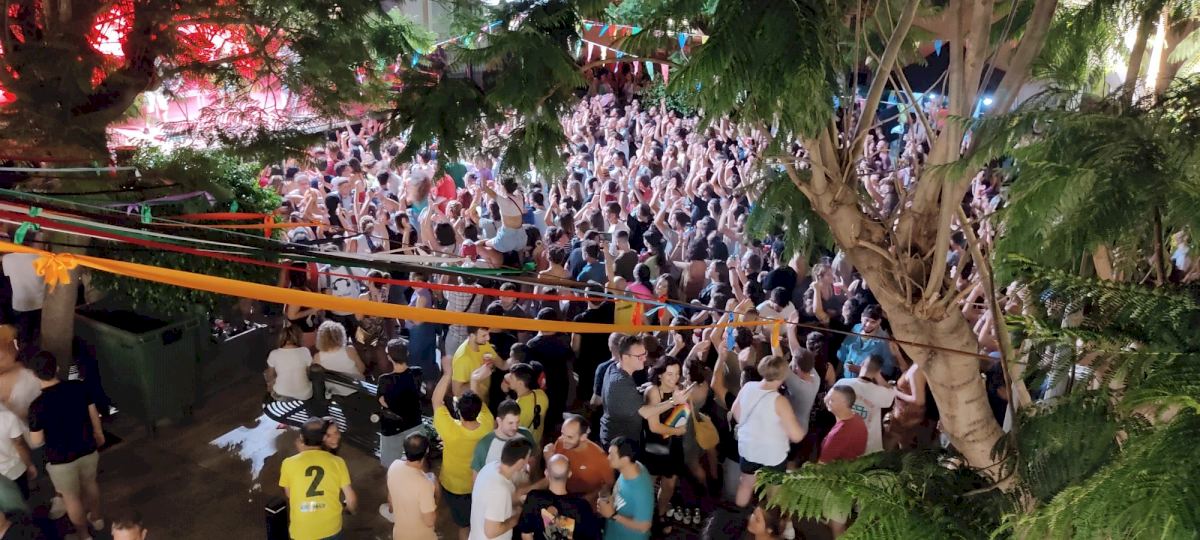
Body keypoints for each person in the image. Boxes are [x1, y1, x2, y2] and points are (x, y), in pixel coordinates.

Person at [27, 351, 104, 540]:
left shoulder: (36, 406)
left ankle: (84, 535)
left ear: (34, 375)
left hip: (60, 459)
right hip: (87, 447)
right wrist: (99, 433)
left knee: (71, 498)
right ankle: (97, 519)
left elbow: (37, 441)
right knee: (91, 483)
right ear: (57, 368)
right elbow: (93, 413)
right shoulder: (79, 387)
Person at [433, 355, 495, 540]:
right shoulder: (487, 423)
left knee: (463, 526)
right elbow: (479, 402)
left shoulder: (450, 429)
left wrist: (448, 373)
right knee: (476, 520)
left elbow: (436, 401)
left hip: (454, 487)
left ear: (458, 411)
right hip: (479, 483)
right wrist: (475, 381)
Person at [730, 355, 806, 507]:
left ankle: (738, 514)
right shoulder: (780, 401)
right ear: (783, 375)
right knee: (774, 491)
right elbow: (796, 436)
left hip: (748, 449)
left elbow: (735, 412)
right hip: (773, 455)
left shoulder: (748, 387)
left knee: (746, 483)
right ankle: (769, 518)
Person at [279, 417, 356, 540]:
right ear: (324, 439)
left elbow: (289, 494)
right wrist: (348, 509)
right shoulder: (337, 462)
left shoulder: (288, 463)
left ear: (302, 438)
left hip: (302, 531)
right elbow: (351, 499)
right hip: (331, 528)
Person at [516, 454, 601, 540]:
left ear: (546, 473)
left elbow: (526, 534)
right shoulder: (582, 506)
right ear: (569, 474)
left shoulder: (534, 498)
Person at [470, 438, 534, 540]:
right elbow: (491, 532)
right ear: (521, 462)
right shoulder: (500, 491)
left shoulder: (490, 467)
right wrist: (517, 517)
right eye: (527, 459)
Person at [832, 355, 896, 454]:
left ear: (861, 364)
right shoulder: (881, 392)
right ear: (878, 371)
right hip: (868, 448)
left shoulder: (842, 383)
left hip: (843, 441)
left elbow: (829, 402)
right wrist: (878, 376)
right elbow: (892, 391)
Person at [377, 338, 424, 468]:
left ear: (389, 357)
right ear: (407, 353)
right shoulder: (417, 372)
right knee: (418, 458)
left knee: (390, 463)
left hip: (392, 427)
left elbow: (383, 401)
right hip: (414, 422)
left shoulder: (384, 380)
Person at [542, 414, 613, 501]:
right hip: (562, 494)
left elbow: (607, 485)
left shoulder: (600, 458)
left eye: (570, 437)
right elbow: (554, 473)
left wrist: (586, 500)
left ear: (583, 437)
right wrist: (549, 458)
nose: (564, 440)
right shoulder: (560, 442)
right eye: (562, 434)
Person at [597, 436, 653, 540]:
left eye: (612, 455)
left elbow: (644, 526)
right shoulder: (631, 467)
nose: (608, 458)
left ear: (625, 459)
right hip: (614, 531)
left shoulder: (640, 490)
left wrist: (613, 515)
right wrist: (608, 500)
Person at [385, 432, 437, 540]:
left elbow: (391, 500)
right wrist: (435, 497)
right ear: (427, 451)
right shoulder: (425, 484)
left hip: (398, 534)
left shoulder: (394, 466)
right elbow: (429, 521)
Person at [472, 398, 537, 474]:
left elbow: (533, 459)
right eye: (510, 423)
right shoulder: (485, 444)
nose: (515, 427)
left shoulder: (526, 435)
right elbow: (476, 476)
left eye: (517, 422)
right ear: (499, 421)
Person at [836, 304, 896, 379]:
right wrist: (836, 376)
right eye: (866, 320)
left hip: (864, 383)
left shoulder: (884, 341)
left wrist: (860, 369)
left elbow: (888, 370)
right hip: (845, 379)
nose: (868, 325)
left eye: (873, 322)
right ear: (861, 317)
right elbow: (843, 354)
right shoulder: (856, 328)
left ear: (879, 322)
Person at [264, 325, 314, 401]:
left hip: (281, 394)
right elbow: (308, 372)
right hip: (304, 394)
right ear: (299, 337)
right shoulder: (305, 351)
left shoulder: (274, 353)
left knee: (266, 373)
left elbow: (271, 375)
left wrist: (270, 385)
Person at [819, 386, 867, 463]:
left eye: (831, 400)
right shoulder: (857, 417)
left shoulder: (839, 433)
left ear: (844, 403)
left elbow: (822, 464)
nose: (825, 400)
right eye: (827, 396)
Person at [452, 327, 502, 400]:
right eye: (484, 335)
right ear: (472, 336)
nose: (488, 338)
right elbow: (457, 393)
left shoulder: (483, 343)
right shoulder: (462, 358)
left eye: (488, 334)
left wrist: (513, 360)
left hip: (485, 399)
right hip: (473, 404)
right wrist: (476, 380)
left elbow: (502, 364)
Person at [505, 363, 549, 444]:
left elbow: (510, 433)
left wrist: (506, 394)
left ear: (520, 383)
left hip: (523, 445)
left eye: (511, 377)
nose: (508, 378)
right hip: (537, 442)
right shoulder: (541, 394)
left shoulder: (516, 408)